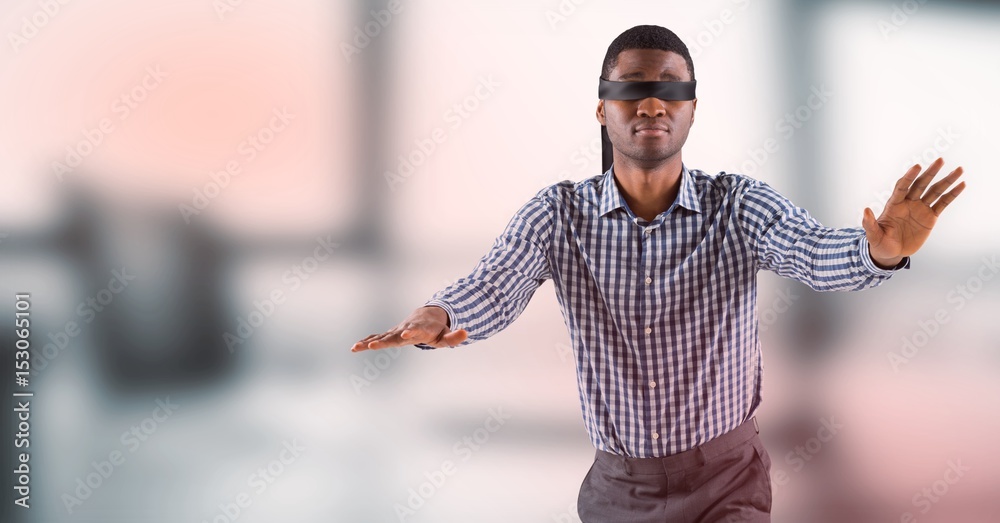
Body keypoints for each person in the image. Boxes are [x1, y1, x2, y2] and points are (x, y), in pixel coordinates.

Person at [350, 24, 965, 522]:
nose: (650, 103)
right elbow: (495, 283)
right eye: (631, 88)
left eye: (670, 89)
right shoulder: (559, 214)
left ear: (692, 108)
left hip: (728, 480)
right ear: (602, 109)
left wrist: (878, 252)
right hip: (620, 491)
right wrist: (440, 316)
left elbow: (809, 250)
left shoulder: (738, 205)